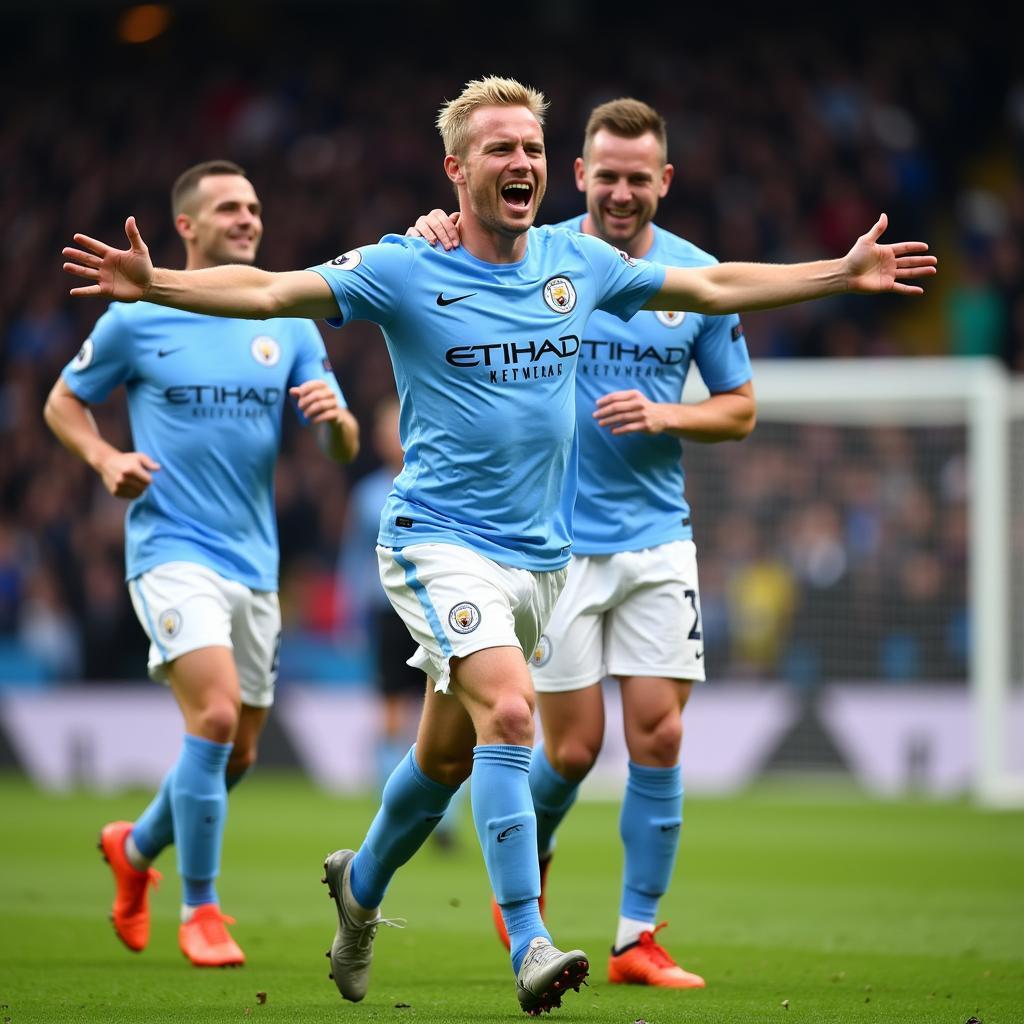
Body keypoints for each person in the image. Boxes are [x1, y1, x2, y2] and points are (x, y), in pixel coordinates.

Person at [61, 77, 935, 1014]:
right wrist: (159, 284)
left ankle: (359, 891)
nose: (520, 164)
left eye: (531, 151)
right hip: (437, 544)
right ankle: (530, 939)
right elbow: (275, 288)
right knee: (512, 718)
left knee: (443, 760)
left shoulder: (578, 262)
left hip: (541, 562)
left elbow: (713, 283)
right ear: (456, 169)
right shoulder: (404, 266)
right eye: (498, 150)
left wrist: (838, 274)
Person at [411, 96, 754, 989]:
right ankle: (534, 846)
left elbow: (741, 407)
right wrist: (436, 226)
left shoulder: (691, 278)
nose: (622, 191)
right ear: (580, 176)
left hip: (656, 536)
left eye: (640, 177)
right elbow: (452, 274)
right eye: (607, 175)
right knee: (568, 750)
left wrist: (668, 412)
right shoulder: (539, 255)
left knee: (660, 731)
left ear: (663, 181)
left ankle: (637, 937)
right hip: (549, 546)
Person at [45, 160, 359, 968]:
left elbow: (342, 443)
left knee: (240, 753)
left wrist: (334, 424)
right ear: (187, 227)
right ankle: (202, 908)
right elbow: (61, 401)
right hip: (170, 549)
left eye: (254, 206)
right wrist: (104, 457)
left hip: (255, 563)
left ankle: (135, 846)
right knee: (215, 720)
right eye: (228, 207)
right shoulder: (138, 315)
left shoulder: (286, 319)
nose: (248, 218)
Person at [338, 395, 466, 848]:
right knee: (392, 715)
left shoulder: (443, 484)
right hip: (386, 612)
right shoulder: (367, 494)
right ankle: (391, 811)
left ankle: (444, 822)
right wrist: (350, 612)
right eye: (385, 430)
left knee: (450, 713)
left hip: (435, 607)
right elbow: (353, 559)